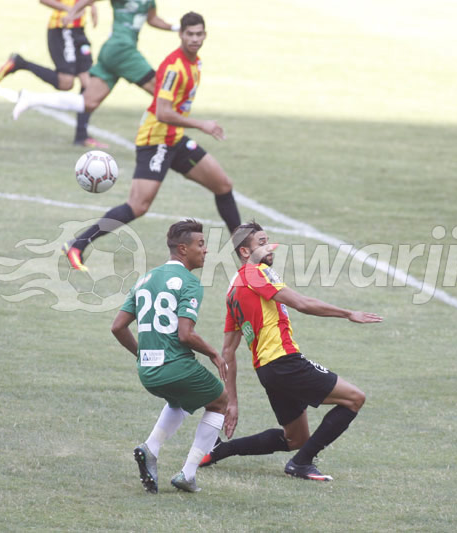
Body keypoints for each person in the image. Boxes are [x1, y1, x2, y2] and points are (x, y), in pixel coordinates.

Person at [198, 221, 383, 481]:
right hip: (284, 362)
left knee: (296, 437)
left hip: (267, 370)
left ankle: (221, 449)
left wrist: (232, 400)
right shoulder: (255, 274)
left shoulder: (233, 291)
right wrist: (348, 313)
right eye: (261, 243)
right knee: (354, 398)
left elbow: (227, 351)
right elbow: (302, 303)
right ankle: (301, 463)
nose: (269, 247)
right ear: (244, 252)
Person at [62, 11, 241, 272]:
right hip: (155, 140)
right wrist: (202, 124)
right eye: (189, 34)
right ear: (180, 35)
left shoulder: (196, 63)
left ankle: (246, 254)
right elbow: (163, 112)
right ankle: (77, 244)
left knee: (223, 185)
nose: (194, 39)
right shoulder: (173, 67)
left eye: (199, 34)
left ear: (205, 35)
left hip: (175, 138)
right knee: (138, 206)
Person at [111, 219, 228, 493]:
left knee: (180, 400)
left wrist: (143, 355)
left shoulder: (145, 278)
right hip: (176, 367)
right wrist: (214, 353)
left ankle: (150, 448)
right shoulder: (189, 282)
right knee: (220, 401)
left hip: (148, 372)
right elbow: (185, 335)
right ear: (182, 249)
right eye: (201, 244)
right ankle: (188, 474)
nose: (206, 250)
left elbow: (117, 326)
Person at [11, 0, 179, 121]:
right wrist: (72, 12)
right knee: (165, 93)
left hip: (113, 52)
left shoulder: (150, 2)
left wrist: (177, 28)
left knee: (88, 102)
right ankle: (157, 140)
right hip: (122, 49)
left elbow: (152, 19)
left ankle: (30, 98)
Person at [0, 0, 107, 148]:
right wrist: (69, 9)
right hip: (62, 28)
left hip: (79, 31)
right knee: (66, 82)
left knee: (88, 84)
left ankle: (81, 136)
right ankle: (20, 63)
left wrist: (91, 5)